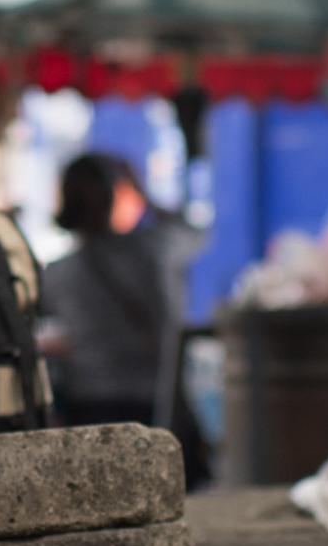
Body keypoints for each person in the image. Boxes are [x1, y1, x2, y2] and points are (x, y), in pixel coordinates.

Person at [39, 153, 208, 488]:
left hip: (87, 405)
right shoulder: (150, 252)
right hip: (153, 402)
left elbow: (51, 330)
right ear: (113, 196)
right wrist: (143, 192)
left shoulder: (56, 273)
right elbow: (194, 232)